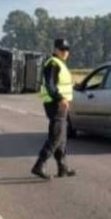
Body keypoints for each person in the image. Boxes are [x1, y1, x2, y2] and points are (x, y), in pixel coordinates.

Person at [32, 38, 76, 180]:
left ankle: (62, 167)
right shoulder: (52, 63)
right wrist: (60, 98)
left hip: (61, 104)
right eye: (62, 49)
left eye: (67, 50)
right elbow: (51, 86)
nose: (65, 52)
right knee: (56, 136)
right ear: (56, 49)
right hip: (55, 104)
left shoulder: (60, 64)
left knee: (61, 137)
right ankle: (39, 164)